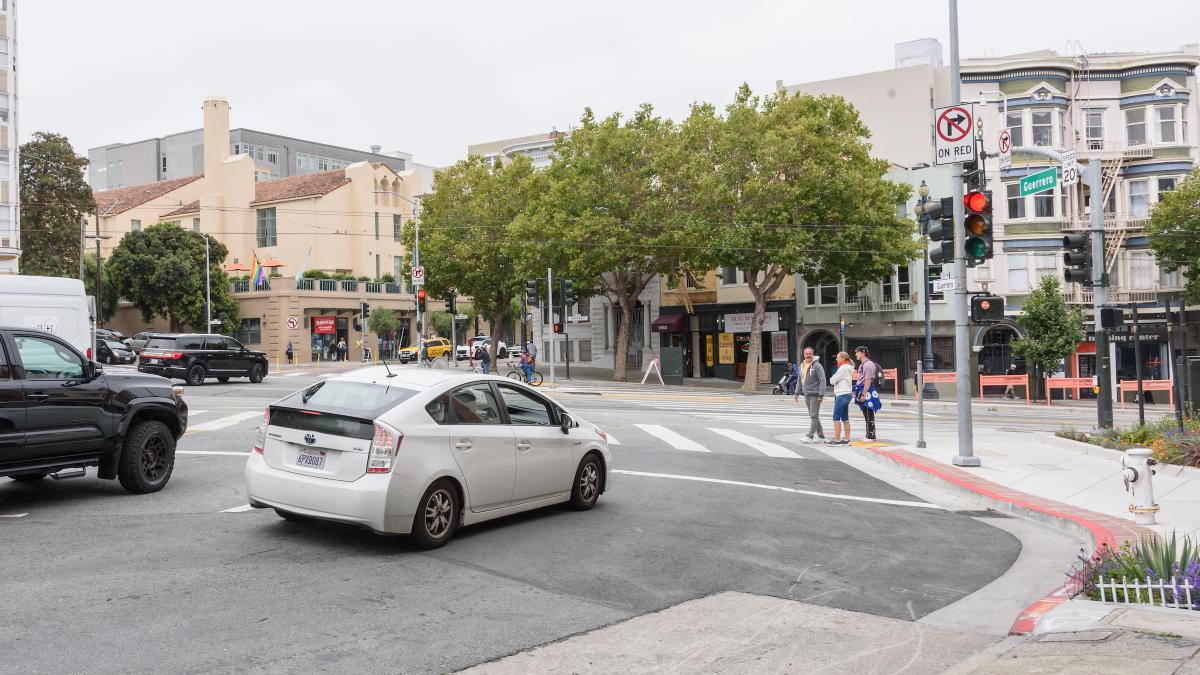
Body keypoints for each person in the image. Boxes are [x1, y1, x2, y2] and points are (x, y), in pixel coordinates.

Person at [799, 347, 826, 441]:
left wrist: (821, 395)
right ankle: (821, 435)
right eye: (806, 353)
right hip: (806, 394)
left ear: (813, 354)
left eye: (810, 353)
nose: (808, 355)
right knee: (814, 415)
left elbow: (823, 380)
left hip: (815, 394)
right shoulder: (802, 365)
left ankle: (810, 436)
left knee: (813, 416)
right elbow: (800, 379)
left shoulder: (817, 365)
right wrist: (797, 392)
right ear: (804, 354)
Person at [853, 346, 879, 440]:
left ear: (863, 353)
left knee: (869, 413)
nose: (856, 354)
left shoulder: (868, 364)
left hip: (866, 390)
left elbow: (868, 381)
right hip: (863, 389)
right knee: (866, 414)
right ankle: (869, 435)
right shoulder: (863, 364)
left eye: (857, 352)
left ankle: (871, 436)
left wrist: (864, 394)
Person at [828, 351, 854, 445]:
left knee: (836, 417)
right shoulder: (848, 367)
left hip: (842, 394)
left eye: (838, 357)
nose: (836, 359)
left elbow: (832, 381)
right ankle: (846, 439)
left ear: (843, 358)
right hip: (847, 394)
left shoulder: (842, 368)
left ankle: (837, 439)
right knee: (845, 418)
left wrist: (833, 377)